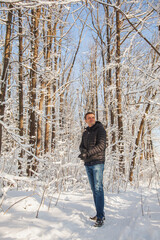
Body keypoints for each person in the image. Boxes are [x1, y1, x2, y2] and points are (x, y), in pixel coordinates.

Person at [79, 112, 106, 227]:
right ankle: (100, 213)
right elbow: (81, 146)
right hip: (88, 163)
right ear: (85, 120)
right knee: (94, 190)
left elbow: (101, 145)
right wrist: (83, 153)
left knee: (98, 189)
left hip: (97, 163)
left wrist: (87, 154)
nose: (91, 119)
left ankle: (100, 217)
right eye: (89, 118)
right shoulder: (85, 132)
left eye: (93, 117)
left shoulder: (100, 129)